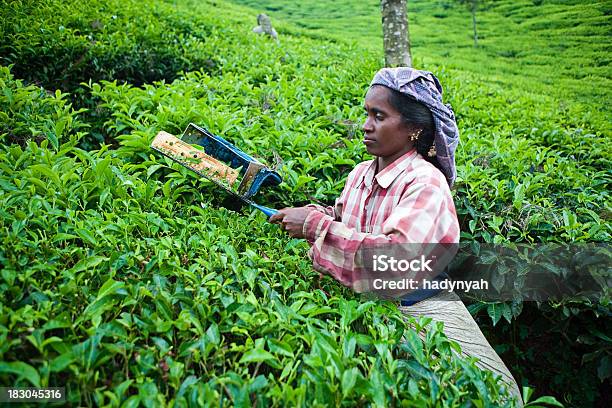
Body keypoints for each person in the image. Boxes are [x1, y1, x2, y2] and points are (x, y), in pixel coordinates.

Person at [269, 67, 522, 404]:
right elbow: (347, 220)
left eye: (378, 116)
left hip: (420, 306)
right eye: (366, 113)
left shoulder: (425, 183)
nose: (365, 125)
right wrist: (311, 214)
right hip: (367, 302)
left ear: (414, 129)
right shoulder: (361, 172)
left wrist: (314, 226)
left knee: (496, 396)